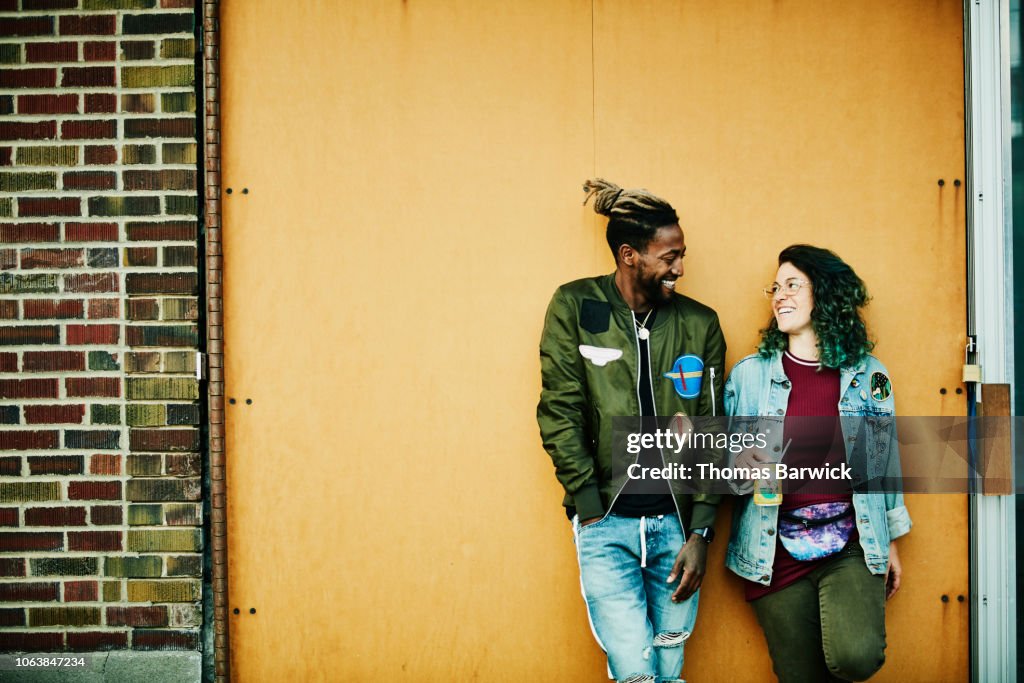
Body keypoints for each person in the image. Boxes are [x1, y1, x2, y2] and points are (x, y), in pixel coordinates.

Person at [537, 178, 726, 683]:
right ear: (629, 256)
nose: (680, 268)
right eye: (670, 257)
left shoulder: (699, 322)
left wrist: (702, 528)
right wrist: (589, 507)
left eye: (682, 255)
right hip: (607, 524)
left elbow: (712, 427)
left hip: (678, 527)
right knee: (633, 668)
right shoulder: (577, 307)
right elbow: (560, 409)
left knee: (668, 664)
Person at [724, 244, 912, 682]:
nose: (779, 296)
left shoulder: (868, 375)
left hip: (851, 542)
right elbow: (729, 473)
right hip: (772, 549)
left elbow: (883, 462)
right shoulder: (750, 376)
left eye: (793, 285)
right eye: (775, 287)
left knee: (856, 657)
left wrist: (891, 541)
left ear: (824, 294)